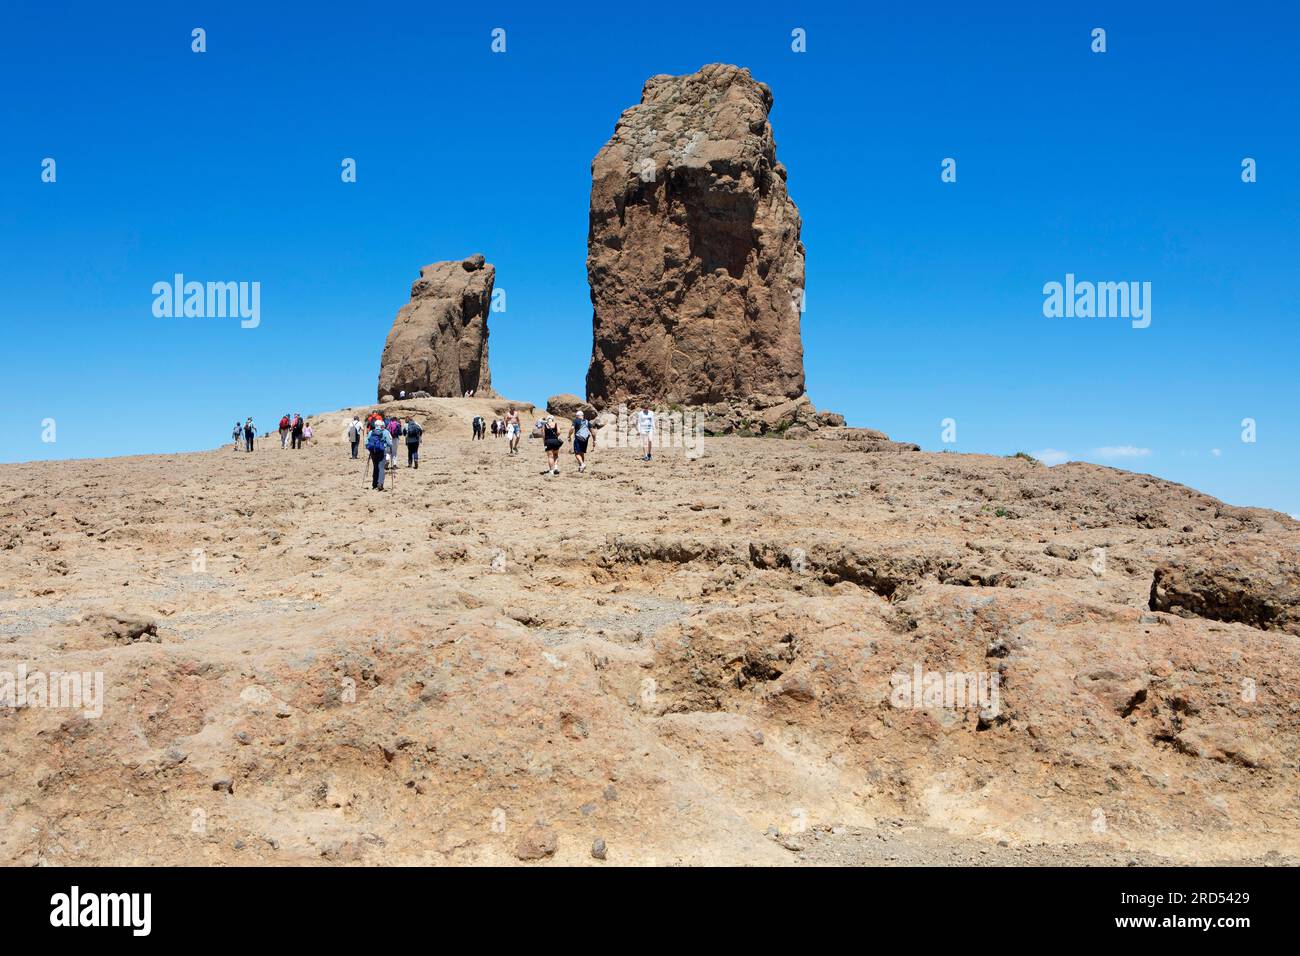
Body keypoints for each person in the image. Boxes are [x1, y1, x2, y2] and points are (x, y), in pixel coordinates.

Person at [366, 420, 392, 490]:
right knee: (381, 468)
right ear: (381, 425)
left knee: (375, 467)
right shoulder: (385, 432)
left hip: (373, 452)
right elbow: (390, 443)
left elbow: (366, 443)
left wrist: (370, 449)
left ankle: (374, 484)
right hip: (381, 452)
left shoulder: (371, 432)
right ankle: (380, 484)